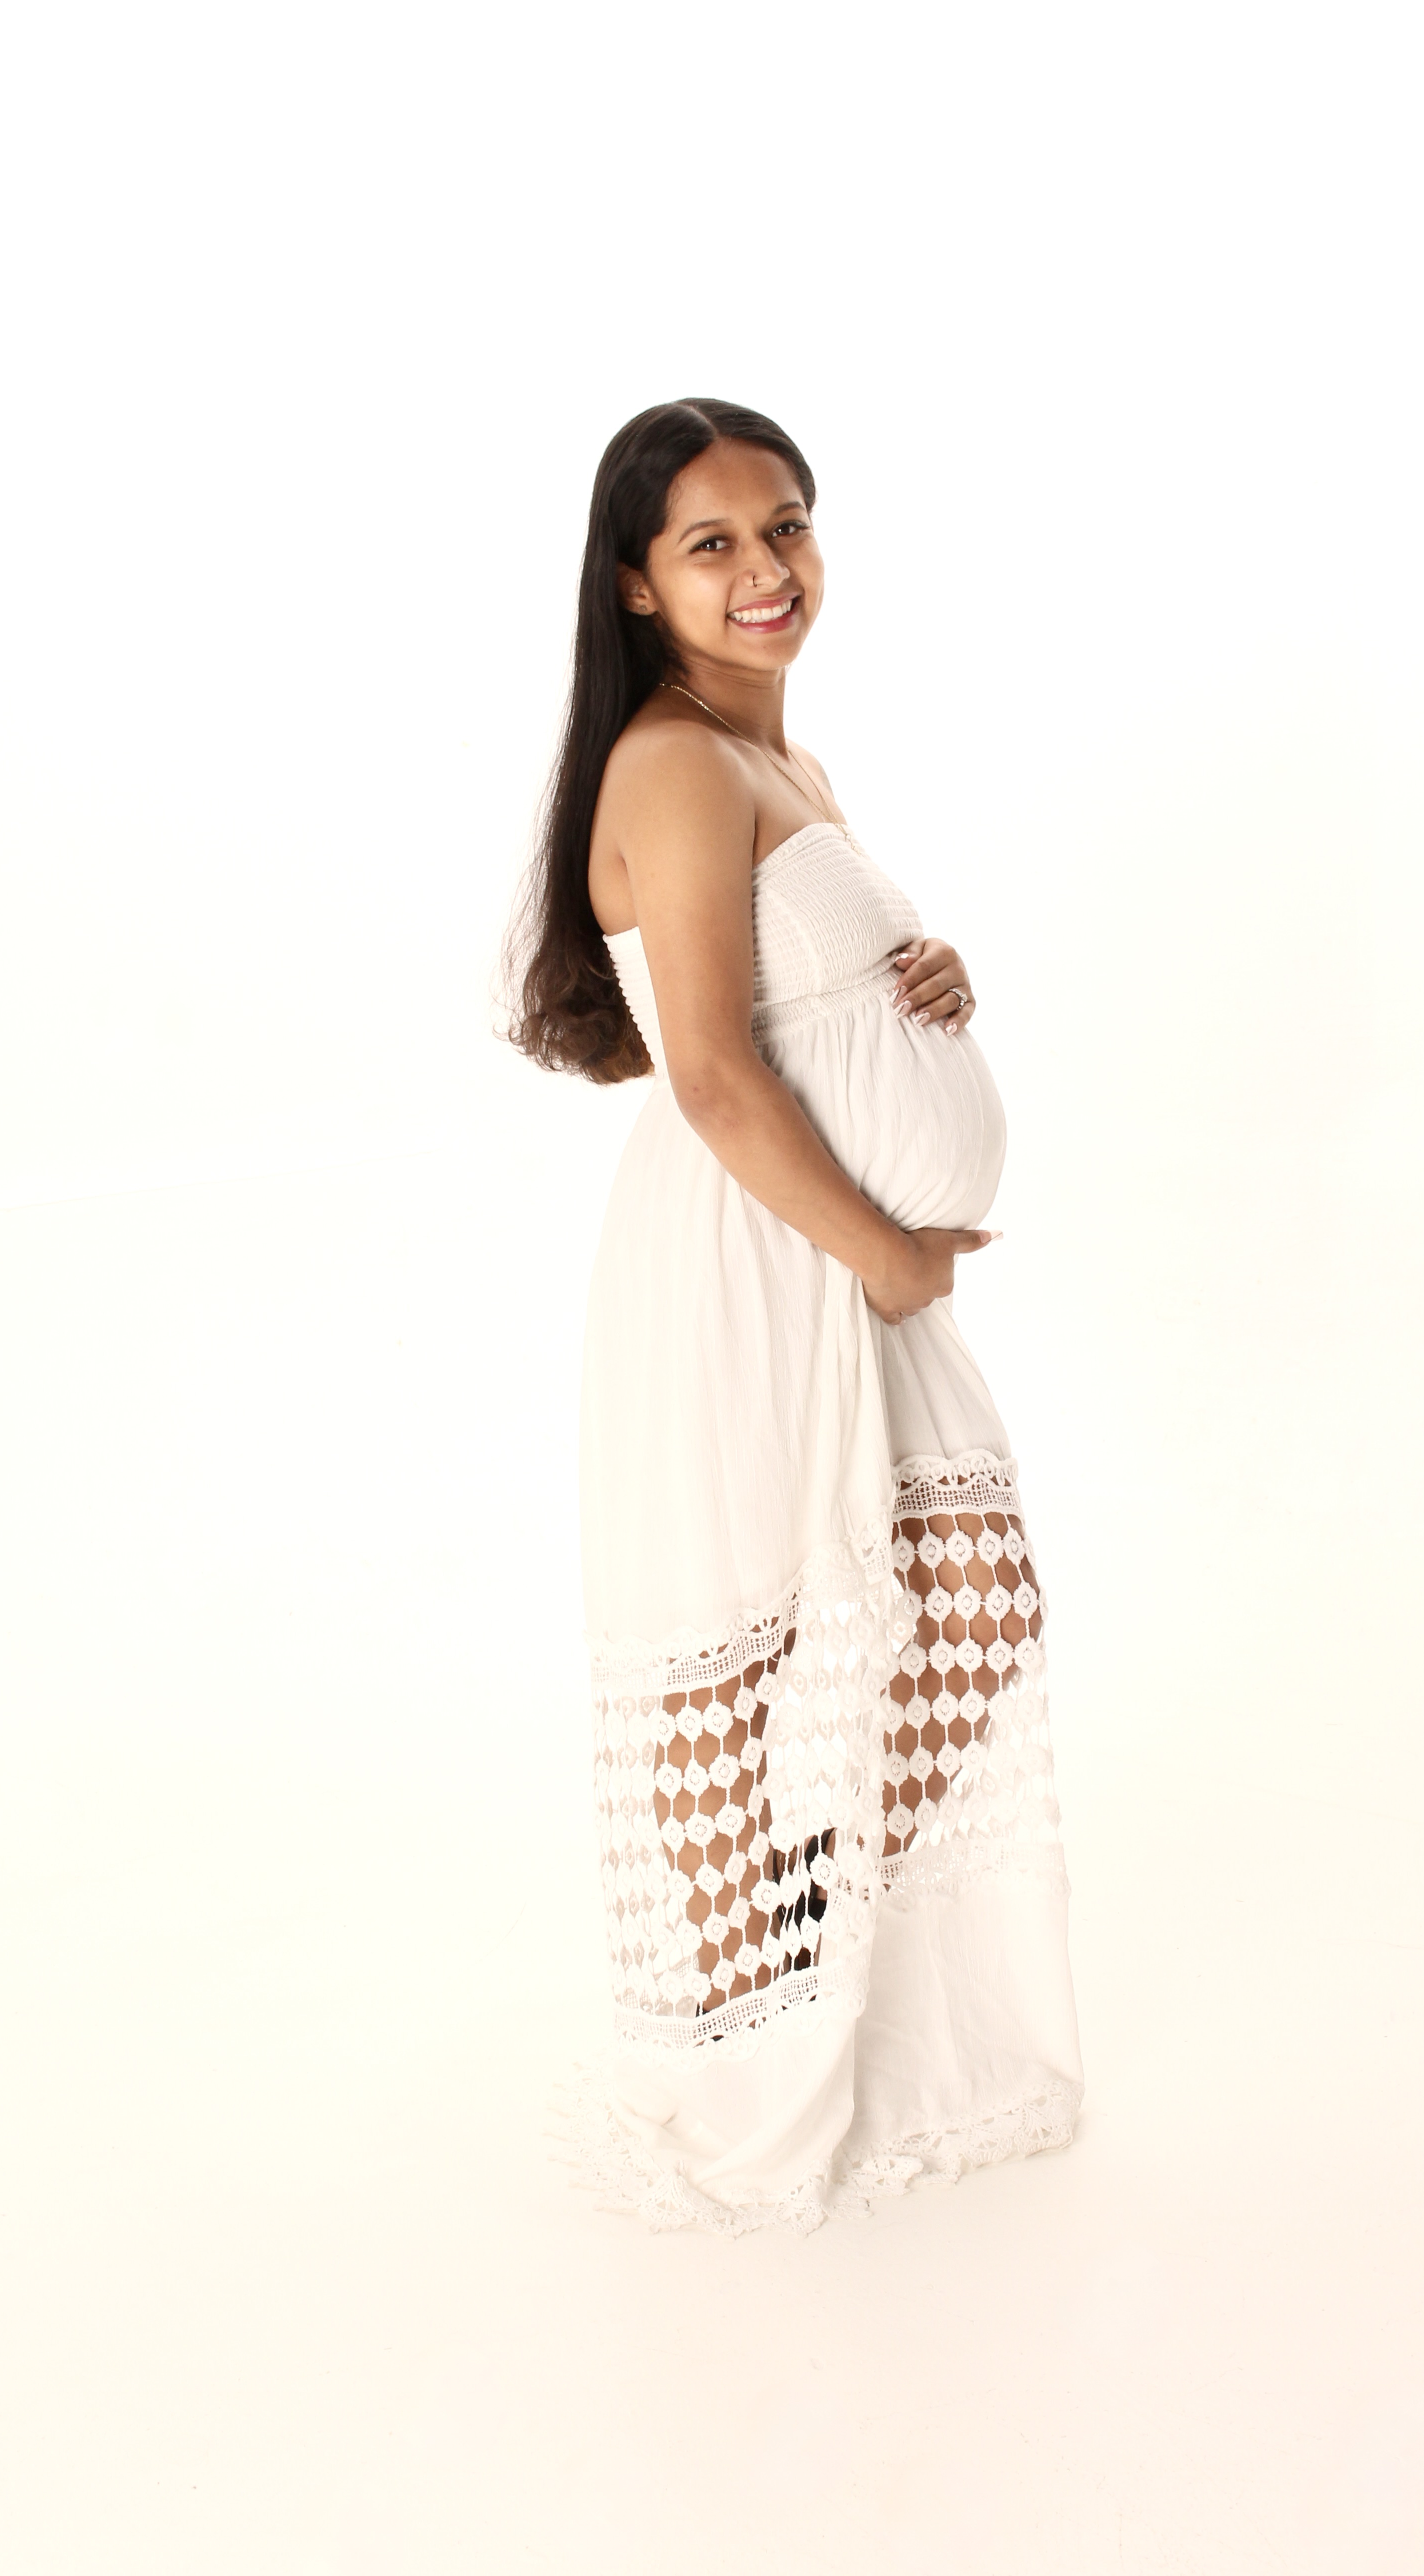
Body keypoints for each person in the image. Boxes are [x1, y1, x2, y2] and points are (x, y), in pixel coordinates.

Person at [509, 398, 1083, 2230]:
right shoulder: (676, 763)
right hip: (761, 1259)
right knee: (747, 1639)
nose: (767, 570)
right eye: (714, 544)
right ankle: (738, 2067)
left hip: (829, 1255)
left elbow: (799, 997)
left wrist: (927, 978)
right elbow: (710, 1073)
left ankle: (804, 1965)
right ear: (637, 583)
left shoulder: (788, 759)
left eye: (788, 527)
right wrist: (889, 1255)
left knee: (959, 1611)